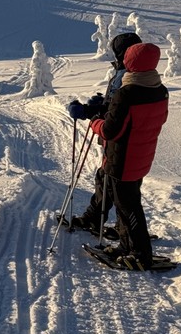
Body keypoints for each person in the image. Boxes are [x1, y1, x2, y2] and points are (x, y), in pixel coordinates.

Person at [85, 41, 168, 269]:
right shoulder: (159, 89)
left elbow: (111, 130)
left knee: (128, 207)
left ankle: (140, 254)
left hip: (122, 160)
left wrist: (94, 122)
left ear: (129, 62)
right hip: (142, 155)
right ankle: (127, 246)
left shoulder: (127, 93)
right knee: (128, 203)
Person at [66, 31, 142, 233]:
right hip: (133, 140)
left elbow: (118, 112)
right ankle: (107, 221)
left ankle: (124, 231)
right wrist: (101, 106)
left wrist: (92, 113)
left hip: (118, 140)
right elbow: (118, 107)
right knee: (113, 181)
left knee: (113, 182)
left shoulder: (124, 76)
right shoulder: (141, 74)